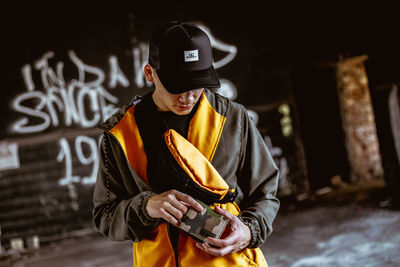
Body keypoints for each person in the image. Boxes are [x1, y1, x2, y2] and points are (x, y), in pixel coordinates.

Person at [93, 21, 280, 267]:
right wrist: (147, 206)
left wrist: (248, 231)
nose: (188, 97)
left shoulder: (232, 119)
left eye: (196, 84)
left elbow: (265, 193)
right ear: (150, 73)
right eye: (177, 86)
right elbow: (105, 216)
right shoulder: (120, 133)